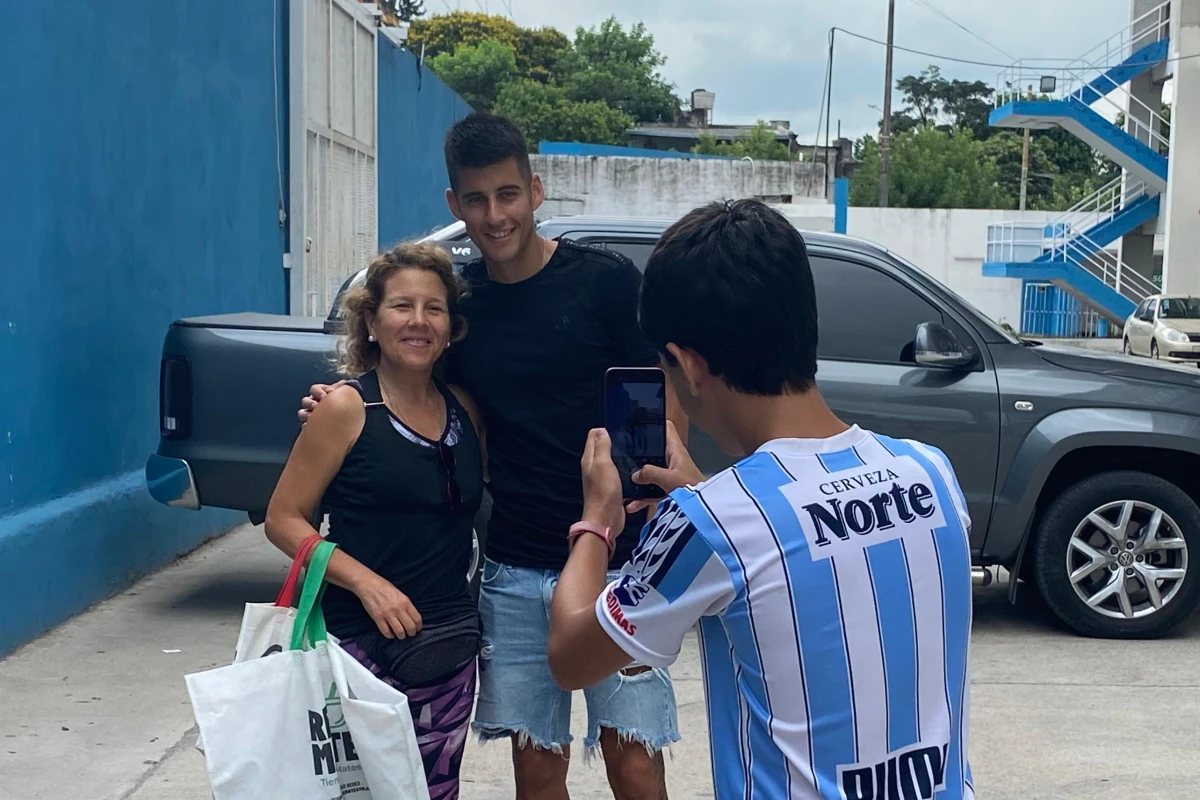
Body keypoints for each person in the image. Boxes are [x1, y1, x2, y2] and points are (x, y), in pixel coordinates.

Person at [301, 112, 687, 800]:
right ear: (455, 205)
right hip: (514, 569)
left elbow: (656, 394)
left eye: (508, 194)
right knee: (538, 768)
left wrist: (659, 487)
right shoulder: (461, 305)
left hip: (620, 569)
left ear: (535, 191)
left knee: (633, 761)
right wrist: (339, 400)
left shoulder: (602, 283)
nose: (494, 214)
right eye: (475, 200)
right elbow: (410, 380)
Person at [548, 199, 975, 800]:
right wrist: (705, 493)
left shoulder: (712, 522)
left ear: (690, 366)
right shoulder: (931, 472)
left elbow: (571, 656)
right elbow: (799, 541)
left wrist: (596, 521)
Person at [266, 242, 484, 800]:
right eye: (401, 306)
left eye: (433, 308)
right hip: (356, 652)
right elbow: (283, 520)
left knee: (434, 793)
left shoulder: (464, 409)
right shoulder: (345, 408)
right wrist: (369, 584)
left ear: (451, 326)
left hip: (446, 653)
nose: (418, 321)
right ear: (371, 319)